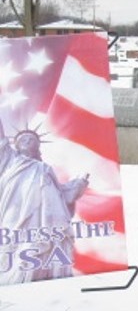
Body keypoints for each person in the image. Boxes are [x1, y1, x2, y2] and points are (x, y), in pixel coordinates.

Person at [0, 121, 89, 284]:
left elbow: (62, 195)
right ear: (16, 145)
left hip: (46, 216)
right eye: (22, 139)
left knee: (46, 246)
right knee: (11, 243)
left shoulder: (44, 168)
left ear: (38, 147)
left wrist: (77, 185)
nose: (27, 141)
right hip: (15, 209)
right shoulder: (10, 160)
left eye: (32, 139)